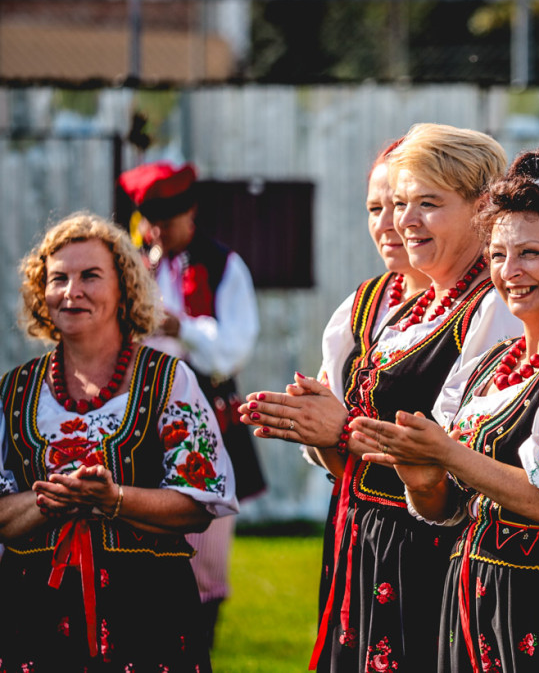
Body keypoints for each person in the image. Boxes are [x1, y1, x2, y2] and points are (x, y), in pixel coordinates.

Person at [239, 123, 520, 672]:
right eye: (397, 204)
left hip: (437, 552)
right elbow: (342, 454)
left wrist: (341, 429)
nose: (402, 221)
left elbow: (455, 458)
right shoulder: (407, 309)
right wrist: (313, 427)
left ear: (482, 208)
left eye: (427, 204)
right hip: (365, 538)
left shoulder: (494, 309)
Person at [352, 143, 539, 672]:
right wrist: (422, 477)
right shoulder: (492, 363)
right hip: (474, 599)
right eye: (498, 255)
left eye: (530, 253)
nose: (510, 271)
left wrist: (450, 456)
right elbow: (449, 509)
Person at [0, 212, 238, 670]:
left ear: (124, 287)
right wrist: (47, 501)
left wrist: (115, 499)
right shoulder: (13, 391)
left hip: (148, 610)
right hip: (33, 613)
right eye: (58, 279)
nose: (72, 291)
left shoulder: (170, 380)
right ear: (41, 292)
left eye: (90, 275)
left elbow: (198, 503)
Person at [118, 161, 265, 650]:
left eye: (168, 219)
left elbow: (235, 348)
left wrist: (181, 327)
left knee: (204, 543)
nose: (158, 231)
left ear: (191, 212)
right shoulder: (129, 263)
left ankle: (197, 640)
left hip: (204, 413)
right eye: (150, 221)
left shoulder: (224, 264)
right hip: (134, 414)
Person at [301, 137, 432, 654]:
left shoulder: (483, 307)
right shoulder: (364, 304)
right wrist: (312, 425)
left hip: (427, 533)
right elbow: (327, 432)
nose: (391, 223)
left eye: (403, 205)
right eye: (376, 208)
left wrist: (339, 428)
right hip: (358, 521)